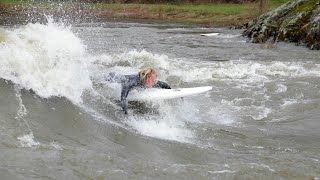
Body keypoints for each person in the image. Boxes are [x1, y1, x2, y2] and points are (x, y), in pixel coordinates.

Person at [106, 68, 171, 114]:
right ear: (147, 78)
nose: (154, 82)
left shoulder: (150, 82)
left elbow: (164, 85)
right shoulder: (134, 81)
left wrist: (171, 90)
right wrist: (125, 110)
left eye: (155, 80)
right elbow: (124, 96)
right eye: (153, 80)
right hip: (111, 78)